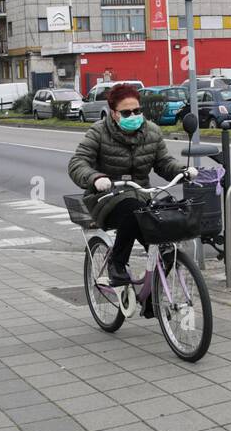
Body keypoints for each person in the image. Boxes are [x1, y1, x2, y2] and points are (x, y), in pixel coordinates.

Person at [68, 84, 194, 286]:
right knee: (135, 212)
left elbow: (163, 162)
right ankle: (116, 264)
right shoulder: (98, 132)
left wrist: (182, 170)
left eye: (137, 110)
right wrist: (95, 178)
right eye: (126, 112)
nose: (133, 115)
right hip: (105, 197)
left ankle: (153, 298)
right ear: (113, 113)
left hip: (141, 195)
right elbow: (77, 163)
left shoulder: (152, 131)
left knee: (159, 222)